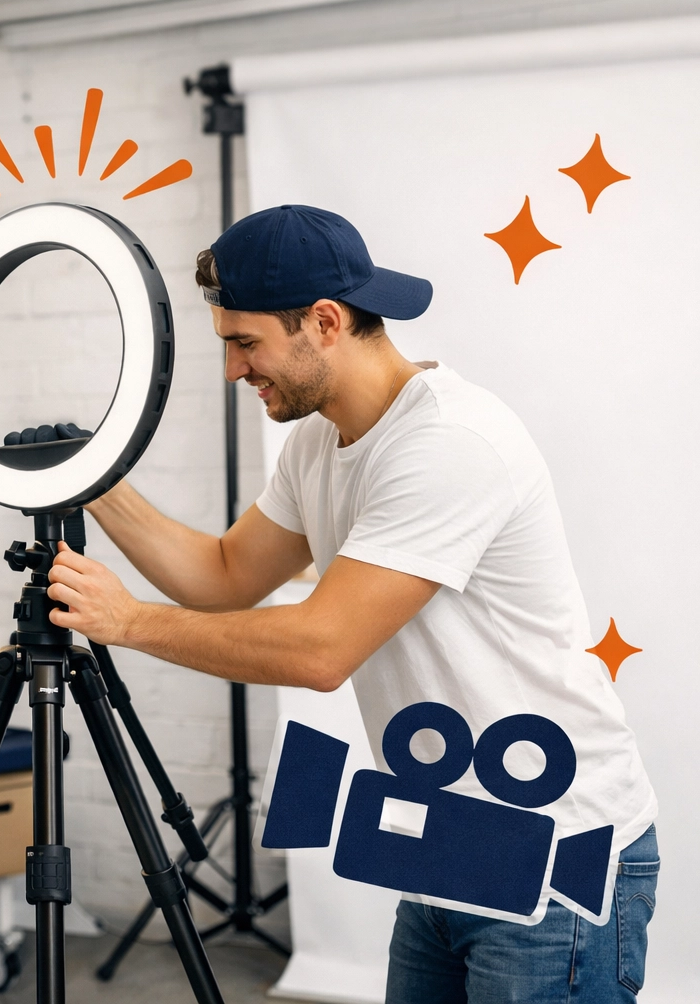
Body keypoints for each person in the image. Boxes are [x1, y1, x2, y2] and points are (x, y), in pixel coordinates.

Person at [45, 204, 658, 1003]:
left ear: (324, 322)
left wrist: (125, 622)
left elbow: (320, 650)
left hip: (553, 855)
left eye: (245, 343)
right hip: (449, 845)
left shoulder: (446, 445)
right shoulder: (317, 443)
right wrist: (97, 481)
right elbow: (226, 574)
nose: (234, 370)